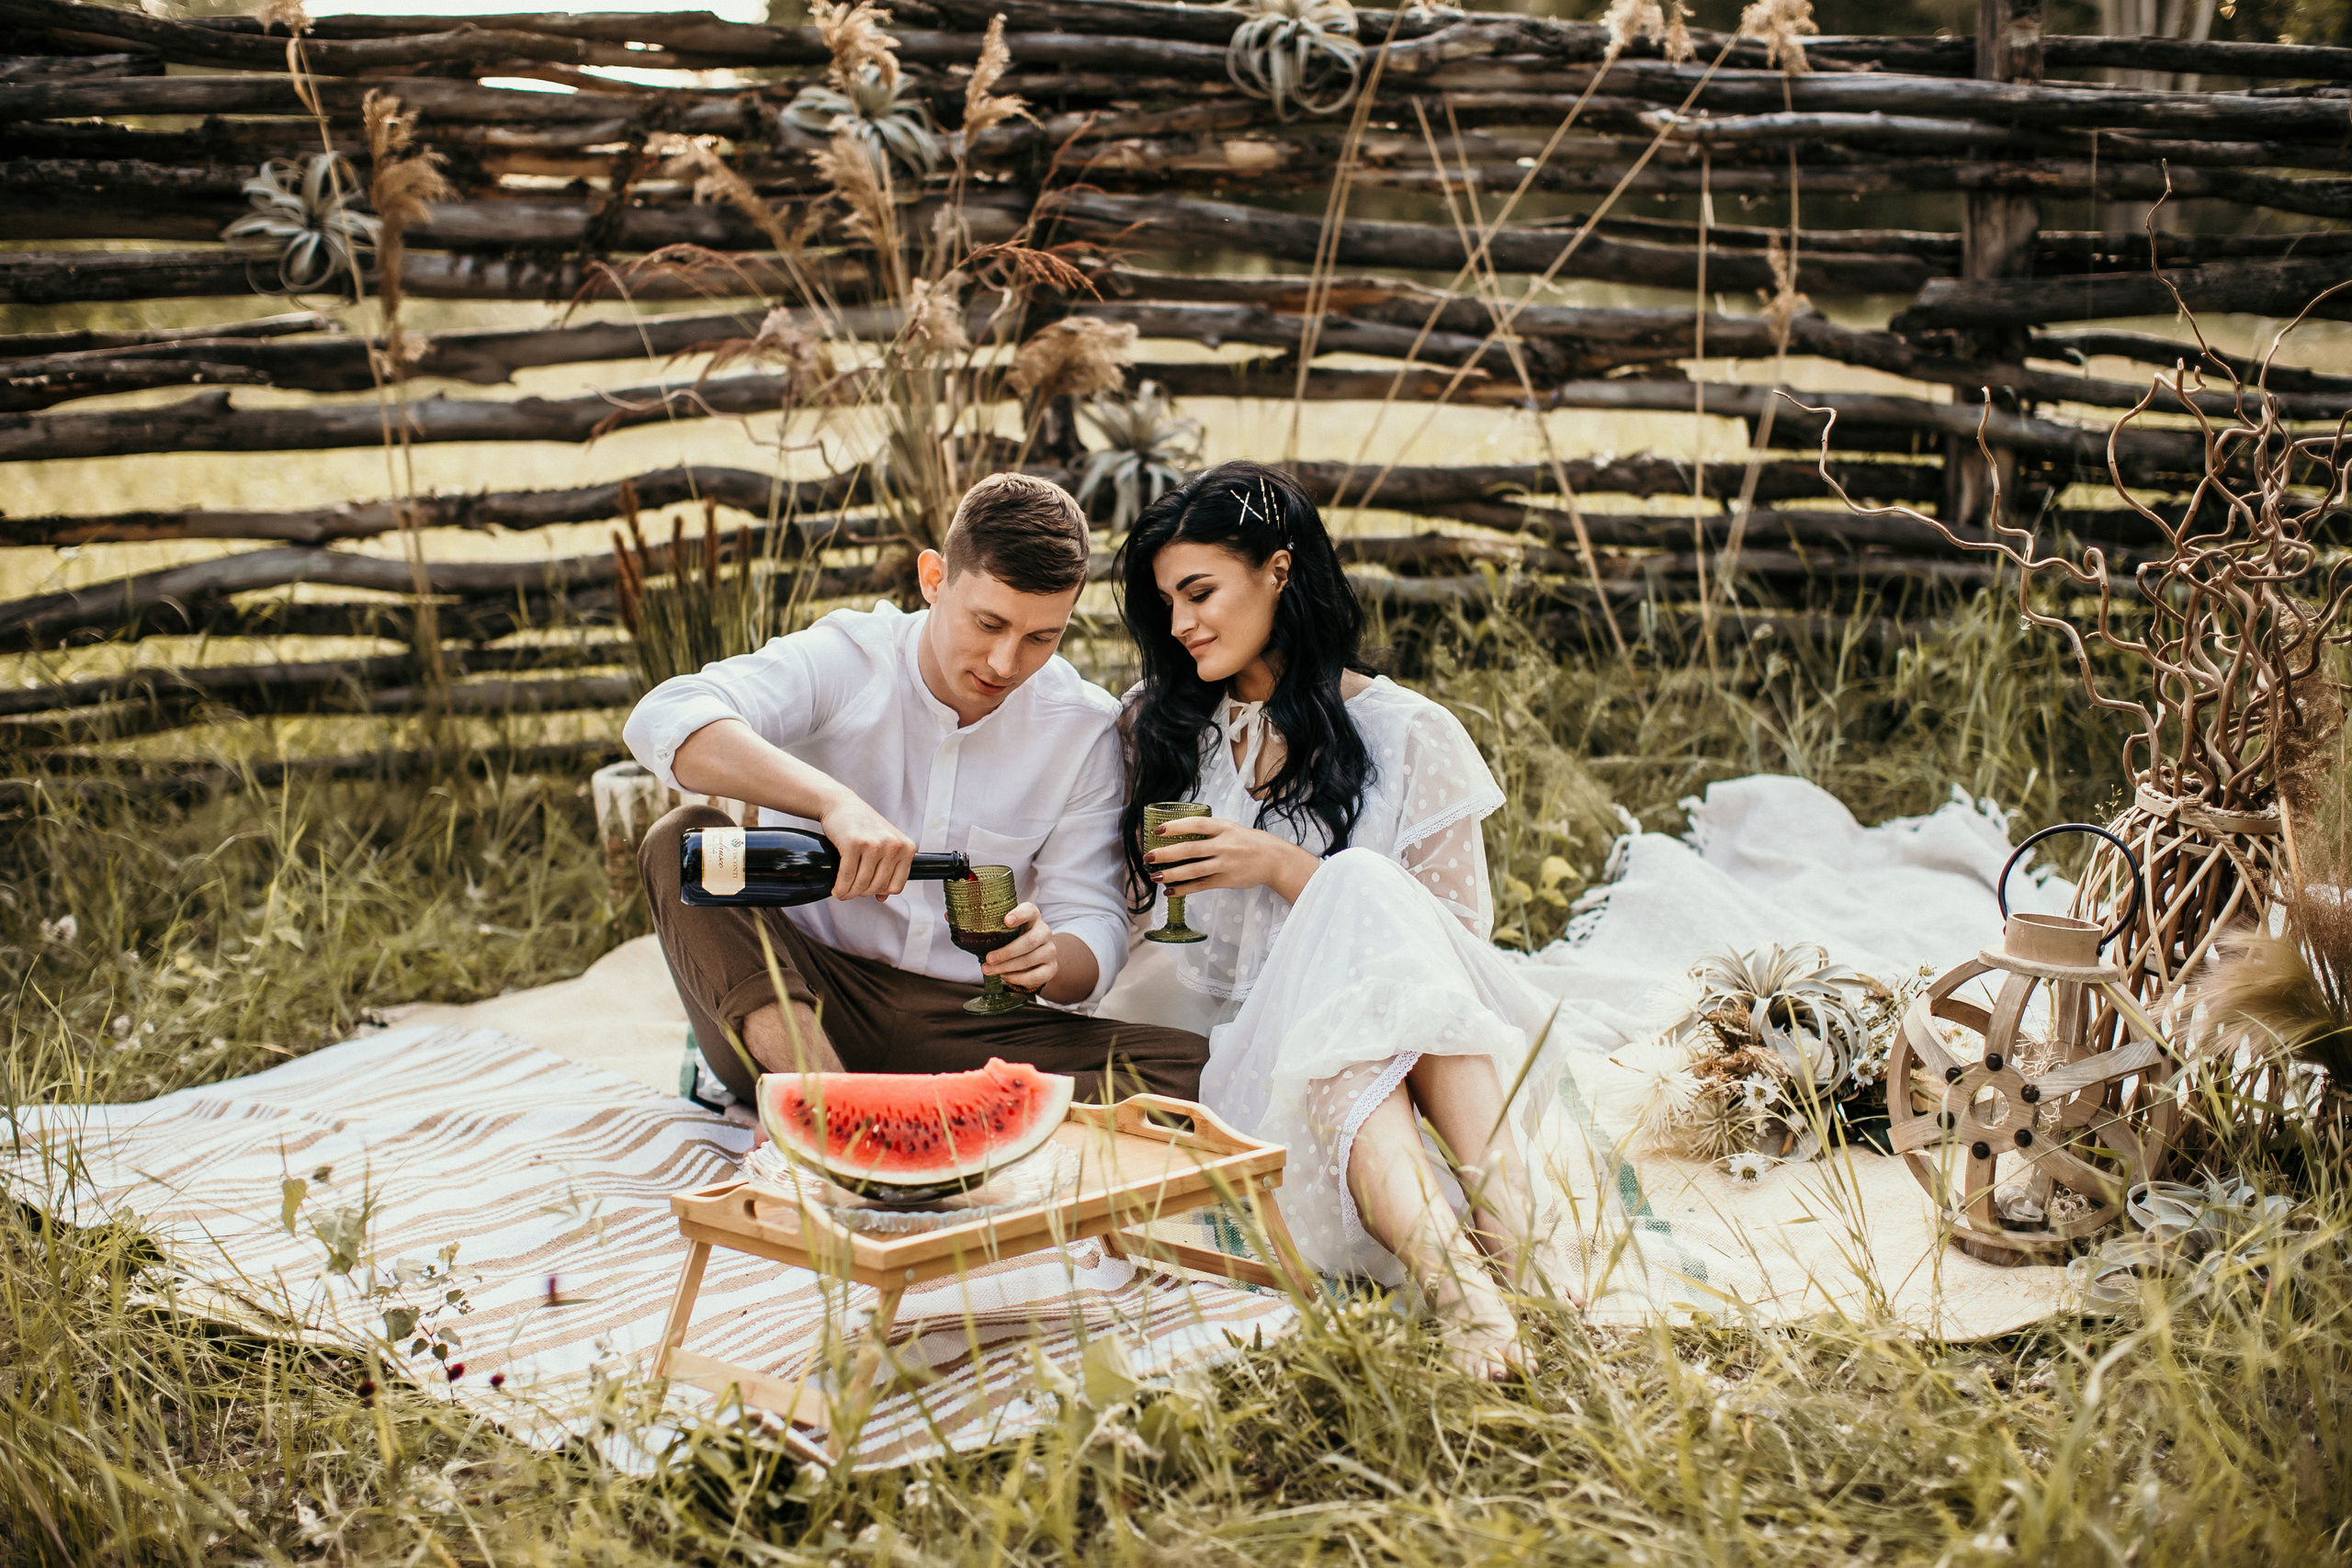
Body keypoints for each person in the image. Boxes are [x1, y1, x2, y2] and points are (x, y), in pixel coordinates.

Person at [1115, 460, 1587, 1374]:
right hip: (1250, 1077)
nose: (1179, 625)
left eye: (1200, 591)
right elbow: (1126, 927)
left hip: (1432, 1089)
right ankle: (1499, 1257)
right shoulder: (1156, 727)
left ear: (1279, 572)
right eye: (1165, 603)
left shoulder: (1412, 734)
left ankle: (1489, 1253)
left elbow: (1445, 961)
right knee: (1353, 929)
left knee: (1361, 896)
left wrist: (1292, 872)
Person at [626, 472, 1210, 1109]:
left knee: (1194, 1068)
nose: (1004, 663)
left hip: (971, 1026)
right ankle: (827, 1110)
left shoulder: (1082, 726)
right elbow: (665, 716)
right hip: (804, 998)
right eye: (988, 622)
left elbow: (1092, 921)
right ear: (934, 579)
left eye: (1042, 637)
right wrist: (832, 802)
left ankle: (912, 1116)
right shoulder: (849, 658)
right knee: (682, 841)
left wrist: (1052, 956)